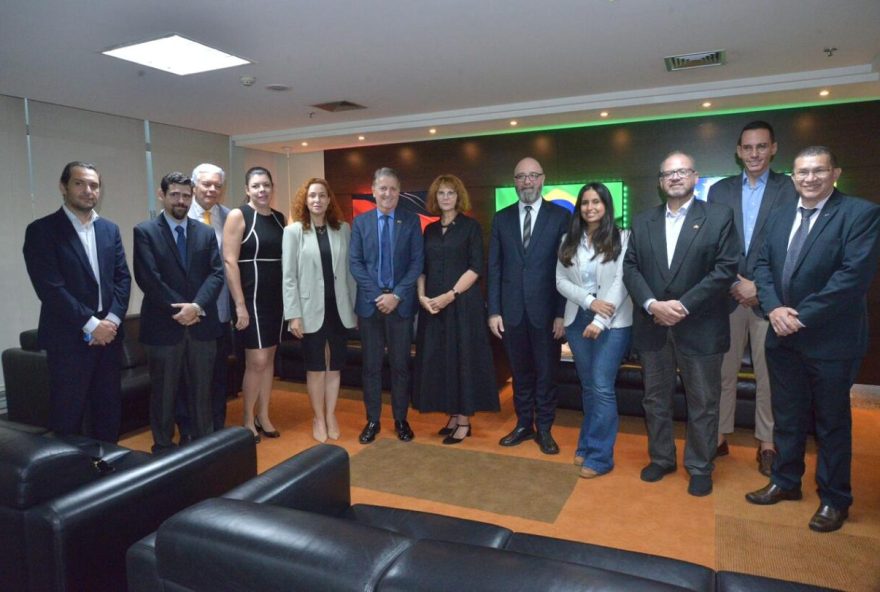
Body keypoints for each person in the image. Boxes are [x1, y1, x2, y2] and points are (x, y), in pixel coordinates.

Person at [746, 146, 880, 533]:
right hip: (781, 336)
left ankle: (835, 498)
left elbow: (851, 279)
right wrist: (773, 310)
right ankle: (786, 482)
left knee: (831, 423)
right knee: (787, 417)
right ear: (793, 176)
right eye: (802, 172)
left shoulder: (860, 214)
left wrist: (797, 317)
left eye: (818, 171)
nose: (809, 178)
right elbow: (761, 269)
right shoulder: (780, 215)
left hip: (831, 341)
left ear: (834, 172)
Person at [622, 151, 738, 496]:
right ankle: (661, 458)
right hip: (653, 326)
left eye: (681, 171)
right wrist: (652, 304)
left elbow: (725, 269)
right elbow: (630, 268)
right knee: (655, 399)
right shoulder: (643, 221)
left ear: (694, 177)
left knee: (703, 401)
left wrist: (682, 306)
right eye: (667, 173)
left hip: (700, 325)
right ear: (660, 182)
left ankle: (700, 465)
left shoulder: (719, 217)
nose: (674, 177)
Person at [707, 121, 797, 475]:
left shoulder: (789, 189)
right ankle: (717, 437)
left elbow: (792, 247)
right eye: (748, 147)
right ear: (738, 152)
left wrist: (758, 287)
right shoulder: (719, 191)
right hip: (727, 298)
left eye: (761, 146)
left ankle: (767, 443)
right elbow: (713, 245)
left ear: (773, 148)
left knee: (769, 376)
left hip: (769, 299)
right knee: (722, 374)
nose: (754, 153)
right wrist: (733, 282)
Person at [23, 161, 131, 442]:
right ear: (64, 187)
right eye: (80, 183)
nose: (88, 190)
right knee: (68, 415)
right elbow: (50, 288)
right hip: (68, 338)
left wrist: (111, 321)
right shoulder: (42, 231)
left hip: (109, 337)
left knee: (108, 410)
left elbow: (122, 279)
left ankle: (108, 472)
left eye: (94, 185)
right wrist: (91, 324)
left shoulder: (109, 229)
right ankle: (69, 477)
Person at [133, 172, 224, 453]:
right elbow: (148, 278)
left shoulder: (205, 233)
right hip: (163, 327)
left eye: (186, 195)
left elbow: (216, 274)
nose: (181, 200)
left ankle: (204, 448)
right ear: (162, 195)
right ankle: (162, 447)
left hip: (201, 326)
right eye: (175, 194)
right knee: (164, 394)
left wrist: (196, 307)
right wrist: (182, 309)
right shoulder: (145, 231)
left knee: (202, 393)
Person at [488, 157, 569, 454]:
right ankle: (524, 425)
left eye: (532, 176)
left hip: (547, 314)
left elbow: (566, 269)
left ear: (543, 179)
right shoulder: (502, 218)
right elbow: (494, 267)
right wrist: (494, 311)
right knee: (519, 374)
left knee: (547, 374)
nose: (527, 182)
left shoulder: (560, 216)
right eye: (521, 176)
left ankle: (545, 429)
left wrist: (561, 313)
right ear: (515, 181)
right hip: (511, 313)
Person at [413, 174, 499, 444]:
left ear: (458, 196)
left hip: (462, 305)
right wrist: (422, 297)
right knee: (441, 361)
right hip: (433, 308)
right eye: (441, 193)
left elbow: (476, 267)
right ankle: (452, 414)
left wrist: (449, 296)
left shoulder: (471, 227)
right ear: (435, 198)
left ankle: (464, 420)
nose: (446, 197)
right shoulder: (429, 230)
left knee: (462, 360)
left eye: (450, 192)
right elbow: (421, 268)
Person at [556, 183, 633, 478]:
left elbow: (622, 282)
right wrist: (589, 303)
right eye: (585, 202)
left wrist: (600, 319)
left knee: (601, 386)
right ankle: (587, 444)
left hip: (612, 323)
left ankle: (600, 456)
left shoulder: (623, 237)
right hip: (577, 319)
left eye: (597, 202)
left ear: (607, 205)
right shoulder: (568, 239)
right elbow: (560, 281)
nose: (590, 207)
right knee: (588, 385)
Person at [349, 167, 424, 444]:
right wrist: (378, 296)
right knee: (371, 366)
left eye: (393, 188)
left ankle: (401, 419)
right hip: (370, 307)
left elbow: (417, 262)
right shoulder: (361, 223)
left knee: (401, 366)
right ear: (373, 191)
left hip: (401, 307)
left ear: (398, 191)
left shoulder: (411, 220)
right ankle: (372, 420)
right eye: (383, 188)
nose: (388, 193)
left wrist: (397, 295)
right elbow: (355, 263)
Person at [282, 178, 356, 442]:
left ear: (328, 200)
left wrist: (354, 308)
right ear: (306, 200)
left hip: (339, 308)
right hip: (309, 308)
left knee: (334, 367)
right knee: (315, 367)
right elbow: (288, 276)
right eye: (312, 196)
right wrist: (293, 315)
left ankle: (331, 414)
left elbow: (349, 273)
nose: (317, 200)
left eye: (322, 195)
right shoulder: (293, 232)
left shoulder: (343, 229)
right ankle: (318, 417)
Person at [223, 166, 286, 442]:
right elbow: (229, 261)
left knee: (269, 358)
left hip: (276, 298)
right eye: (257, 186)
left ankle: (264, 415)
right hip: (250, 297)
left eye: (266, 185)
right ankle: (247, 418)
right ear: (247, 189)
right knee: (256, 360)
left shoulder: (279, 218)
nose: (262, 190)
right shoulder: (239, 215)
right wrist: (239, 304)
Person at [175, 163, 233, 441]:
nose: (212, 189)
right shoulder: (181, 217)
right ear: (194, 186)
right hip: (192, 313)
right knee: (189, 380)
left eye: (217, 185)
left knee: (218, 378)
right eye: (206, 184)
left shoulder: (230, 216)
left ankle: (216, 432)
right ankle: (189, 433)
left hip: (221, 312)